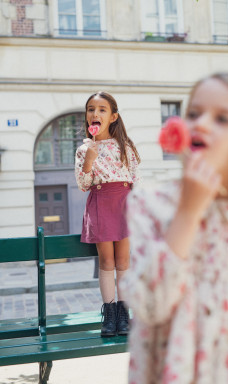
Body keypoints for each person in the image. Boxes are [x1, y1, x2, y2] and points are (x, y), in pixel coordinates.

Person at [120, 72, 228, 383]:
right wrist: (189, 212)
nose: (201, 124)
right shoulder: (151, 203)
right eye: (193, 113)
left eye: (222, 119)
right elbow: (148, 305)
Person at [75, 91, 140, 337]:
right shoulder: (83, 150)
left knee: (123, 261)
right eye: (91, 109)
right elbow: (83, 184)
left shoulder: (125, 146)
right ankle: (109, 314)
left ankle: (124, 314)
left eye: (102, 109)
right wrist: (89, 159)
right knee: (107, 262)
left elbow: (134, 178)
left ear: (113, 117)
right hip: (100, 202)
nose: (95, 113)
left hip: (123, 202)